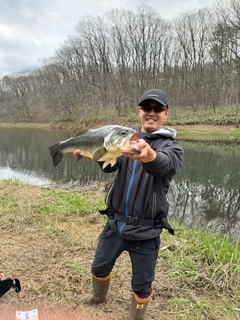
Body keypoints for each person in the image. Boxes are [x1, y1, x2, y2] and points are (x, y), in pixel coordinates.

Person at [73, 89, 184, 319]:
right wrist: (97, 156)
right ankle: (98, 297)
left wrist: (149, 155)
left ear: (166, 113)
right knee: (99, 268)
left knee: (142, 285)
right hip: (115, 225)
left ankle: (136, 317)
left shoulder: (171, 147)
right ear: (139, 111)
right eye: (146, 108)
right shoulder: (125, 139)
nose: (151, 113)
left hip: (146, 232)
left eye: (157, 109)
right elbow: (111, 166)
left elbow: (166, 165)